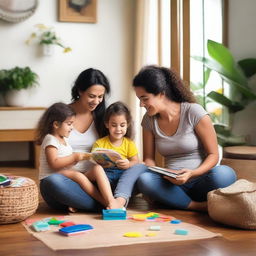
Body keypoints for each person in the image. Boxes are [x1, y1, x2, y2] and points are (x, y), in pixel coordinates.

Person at [132, 65, 237, 212]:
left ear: (161, 94)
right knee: (144, 180)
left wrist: (192, 173)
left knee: (225, 174)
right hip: (171, 184)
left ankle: (177, 201)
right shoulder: (149, 120)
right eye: (139, 99)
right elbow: (149, 158)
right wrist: (162, 173)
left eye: (144, 99)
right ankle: (197, 206)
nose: (141, 104)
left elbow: (214, 155)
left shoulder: (193, 112)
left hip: (201, 180)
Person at [39, 68, 112, 212]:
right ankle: (106, 204)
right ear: (79, 91)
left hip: (94, 177)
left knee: (130, 173)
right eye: (92, 96)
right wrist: (76, 158)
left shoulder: (103, 116)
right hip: (66, 179)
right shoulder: (62, 116)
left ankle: (87, 203)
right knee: (53, 182)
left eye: (100, 96)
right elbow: (53, 160)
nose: (96, 101)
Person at [36, 102, 122, 211]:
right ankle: (104, 203)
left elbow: (66, 161)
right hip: (53, 176)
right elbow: (53, 163)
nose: (72, 127)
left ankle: (110, 200)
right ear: (56, 124)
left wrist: (86, 158)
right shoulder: (50, 139)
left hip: (66, 176)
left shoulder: (65, 140)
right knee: (79, 176)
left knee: (97, 169)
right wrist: (74, 157)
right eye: (69, 124)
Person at [91, 101, 148, 208]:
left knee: (142, 166)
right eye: (114, 125)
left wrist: (128, 164)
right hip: (106, 176)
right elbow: (94, 161)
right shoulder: (100, 143)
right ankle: (110, 199)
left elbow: (136, 161)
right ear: (107, 124)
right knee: (97, 170)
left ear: (128, 124)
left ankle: (120, 198)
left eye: (122, 125)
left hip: (123, 176)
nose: (118, 129)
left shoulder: (129, 143)